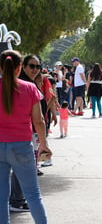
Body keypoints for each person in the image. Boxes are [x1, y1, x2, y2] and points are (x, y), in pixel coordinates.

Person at [0, 50, 52, 223]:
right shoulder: (30, 88)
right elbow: (39, 121)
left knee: (1, 198)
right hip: (22, 146)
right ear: (19, 67)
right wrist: (43, 145)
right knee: (32, 195)